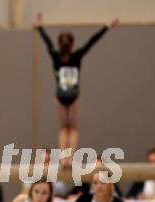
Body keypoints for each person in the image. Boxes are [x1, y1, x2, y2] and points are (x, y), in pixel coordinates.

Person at [35, 13, 118, 163]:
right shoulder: (77, 55)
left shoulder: (55, 56)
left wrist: (40, 27)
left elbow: (47, 42)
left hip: (60, 96)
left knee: (63, 128)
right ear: (72, 44)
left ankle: (63, 159)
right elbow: (92, 41)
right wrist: (106, 26)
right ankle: (70, 158)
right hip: (73, 97)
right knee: (72, 129)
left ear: (59, 44)